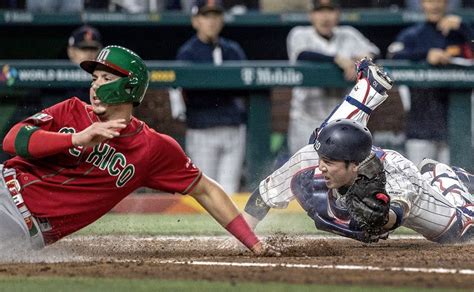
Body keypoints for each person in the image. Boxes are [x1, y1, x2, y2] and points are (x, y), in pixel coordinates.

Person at [0, 45, 271, 256]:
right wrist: (76, 139)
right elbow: (12, 140)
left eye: (106, 78)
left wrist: (252, 242)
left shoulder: (152, 148)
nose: (95, 85)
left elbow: (206, 190)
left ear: (128, 86)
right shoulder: (71, 109)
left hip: (23, 229)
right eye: (95, 78)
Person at [241, 58, 474, 244]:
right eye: (322, 158)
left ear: (355, 165)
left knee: (462, 230)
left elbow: (398, 211)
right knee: (322, 135)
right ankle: (368, 89)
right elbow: (263, 195)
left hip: (413, 192)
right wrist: (243, 238)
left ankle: (445, 178)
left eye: (330, 162)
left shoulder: (395, 174)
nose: (322, 166)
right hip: (354, 153)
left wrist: (382, 218)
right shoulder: (309, 159)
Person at [286, 0, 379, 155]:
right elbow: (303, 54)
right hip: (306, 118)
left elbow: (374, 52)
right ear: (311, 15)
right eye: (320, 11)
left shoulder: (349, 34)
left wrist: (363, 59)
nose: (325, 17)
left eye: (330, 11)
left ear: (338, 14)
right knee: (305, 171)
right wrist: (337, 59)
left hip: (343, 119)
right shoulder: (299, 34)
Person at [174, 0, 248, 195]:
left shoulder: (233, 49)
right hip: (203, 129)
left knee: (229, 190)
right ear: (196, 21)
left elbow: (246, 88)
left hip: (233, 127)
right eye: (206, 16)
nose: (212, 21)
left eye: (216, 15)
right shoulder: (187, 53)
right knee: (204, 191)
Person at [387, 0, 473, 166]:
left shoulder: (459, 34)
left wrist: (464, 27)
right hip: (421, 123)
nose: (434, 5)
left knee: (456, 185)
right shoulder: (413, 34)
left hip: (456, 123)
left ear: (447, 4)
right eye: (429, 1)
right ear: (422, 4)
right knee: (420, 184)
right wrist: (425, 55)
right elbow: (393, 55)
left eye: (439, 1)